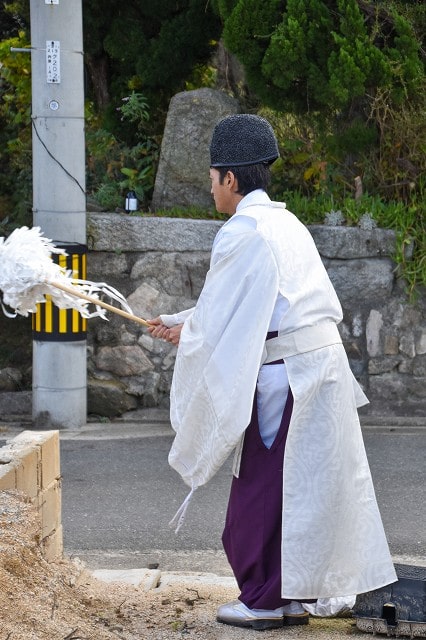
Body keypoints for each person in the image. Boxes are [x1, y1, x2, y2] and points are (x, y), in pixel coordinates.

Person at [148, 114, 397, 630]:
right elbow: (242, 305)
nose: (211, 187)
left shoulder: (242, 231)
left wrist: (189, 332)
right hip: (313, 368)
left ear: (230, 179)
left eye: (214, 177)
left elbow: (223, 315)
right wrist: (183, 324)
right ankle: (286, 597)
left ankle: (262, 599)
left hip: (286, 379)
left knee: (261, 488)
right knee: (299, 490)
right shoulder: (284, 223)